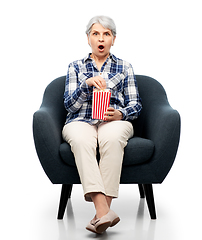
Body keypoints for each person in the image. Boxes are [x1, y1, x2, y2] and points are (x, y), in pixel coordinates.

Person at [62, 16, 142, 234]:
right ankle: (104, 211)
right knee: (81, 139)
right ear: (88, 38)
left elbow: (136, 104)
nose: (101, 38)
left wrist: (120, 113)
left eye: (106, 34)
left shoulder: (124, 66)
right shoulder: (75, 66)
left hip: (113, 121)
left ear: (113, 39)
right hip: (81, 120)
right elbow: (69, 105)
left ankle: (100, 216)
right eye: (96, 33)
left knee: (113, 138)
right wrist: (85, 85)